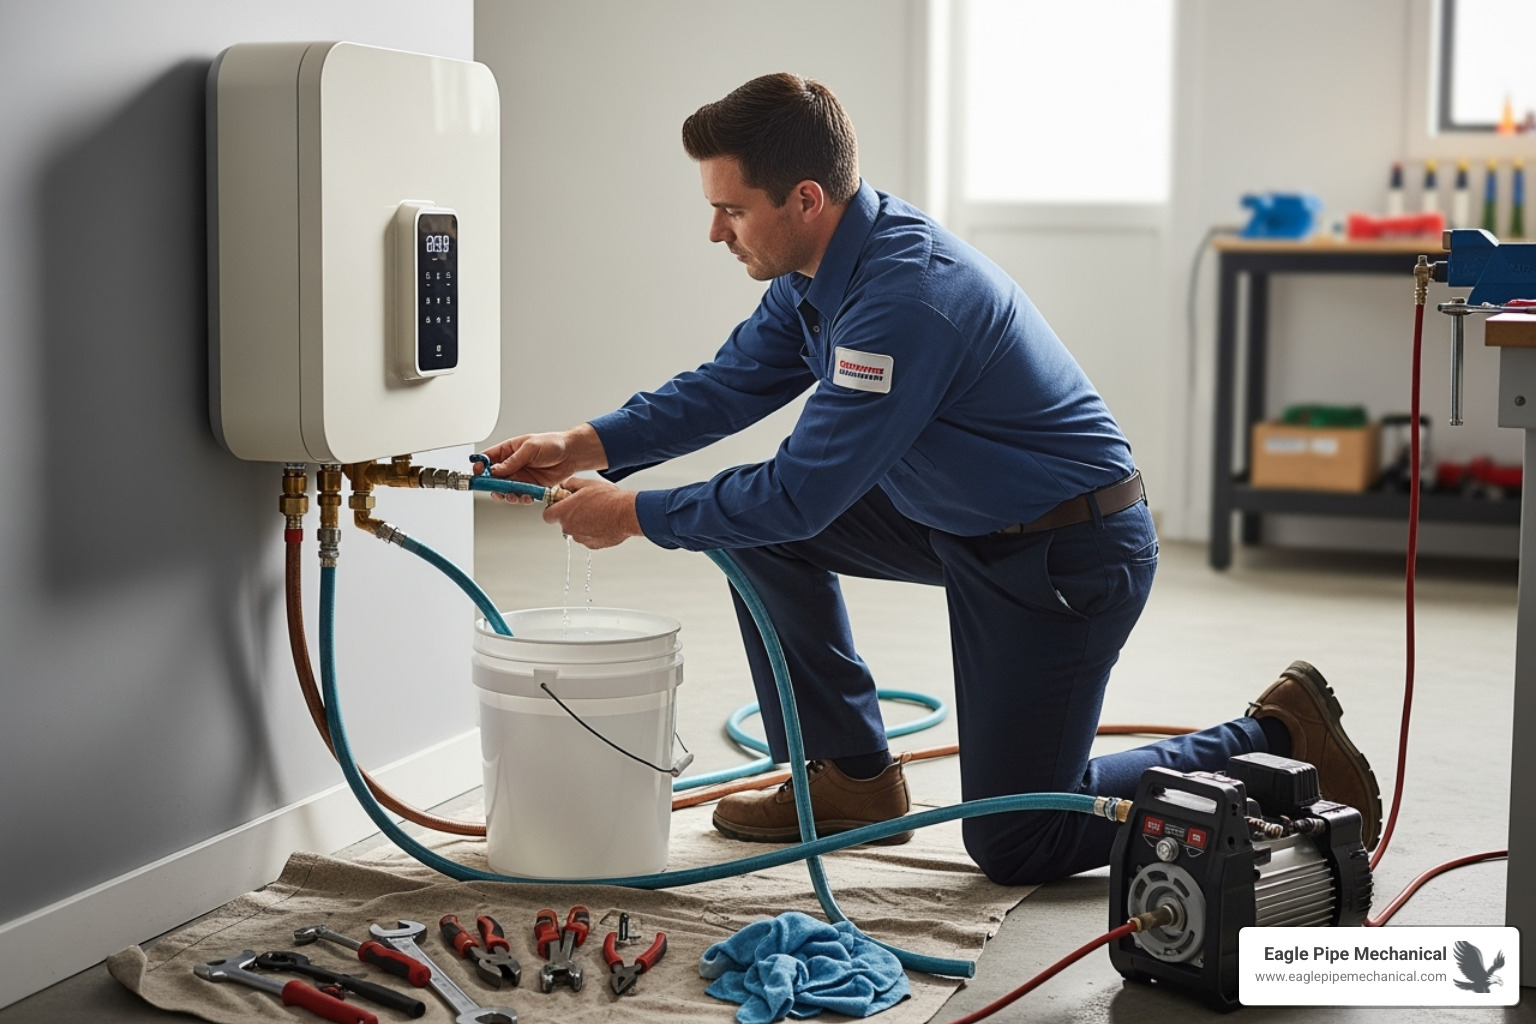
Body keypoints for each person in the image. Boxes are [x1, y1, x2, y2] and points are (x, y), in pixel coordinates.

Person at [480, 73, 1382, 885]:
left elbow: (805, 492)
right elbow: (726, 387)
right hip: (957, 518)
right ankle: (854, 781)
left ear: (804, 197)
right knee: (746, 526)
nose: (715, 230)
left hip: (1064, 554)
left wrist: (633, 513)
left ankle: (1275, 735)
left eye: (731, 209)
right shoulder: (817, 265)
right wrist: (585, 442)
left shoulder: (902, 300)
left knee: (1018, 838)